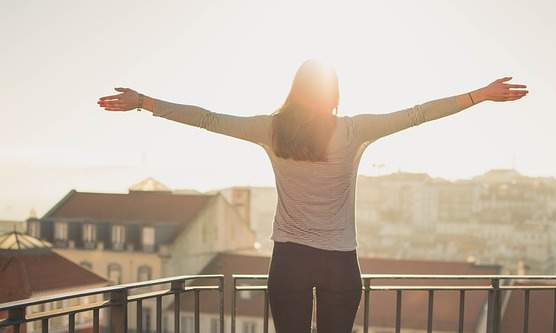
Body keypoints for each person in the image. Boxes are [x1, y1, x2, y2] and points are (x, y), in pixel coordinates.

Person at [97, 59, 528, 332]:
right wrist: (480, 96)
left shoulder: (271, 129)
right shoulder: (354, 130)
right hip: (341, 262)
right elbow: (417, 114)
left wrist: (143, 102)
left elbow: (208, 119)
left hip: (289, 261)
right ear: (334, 93)